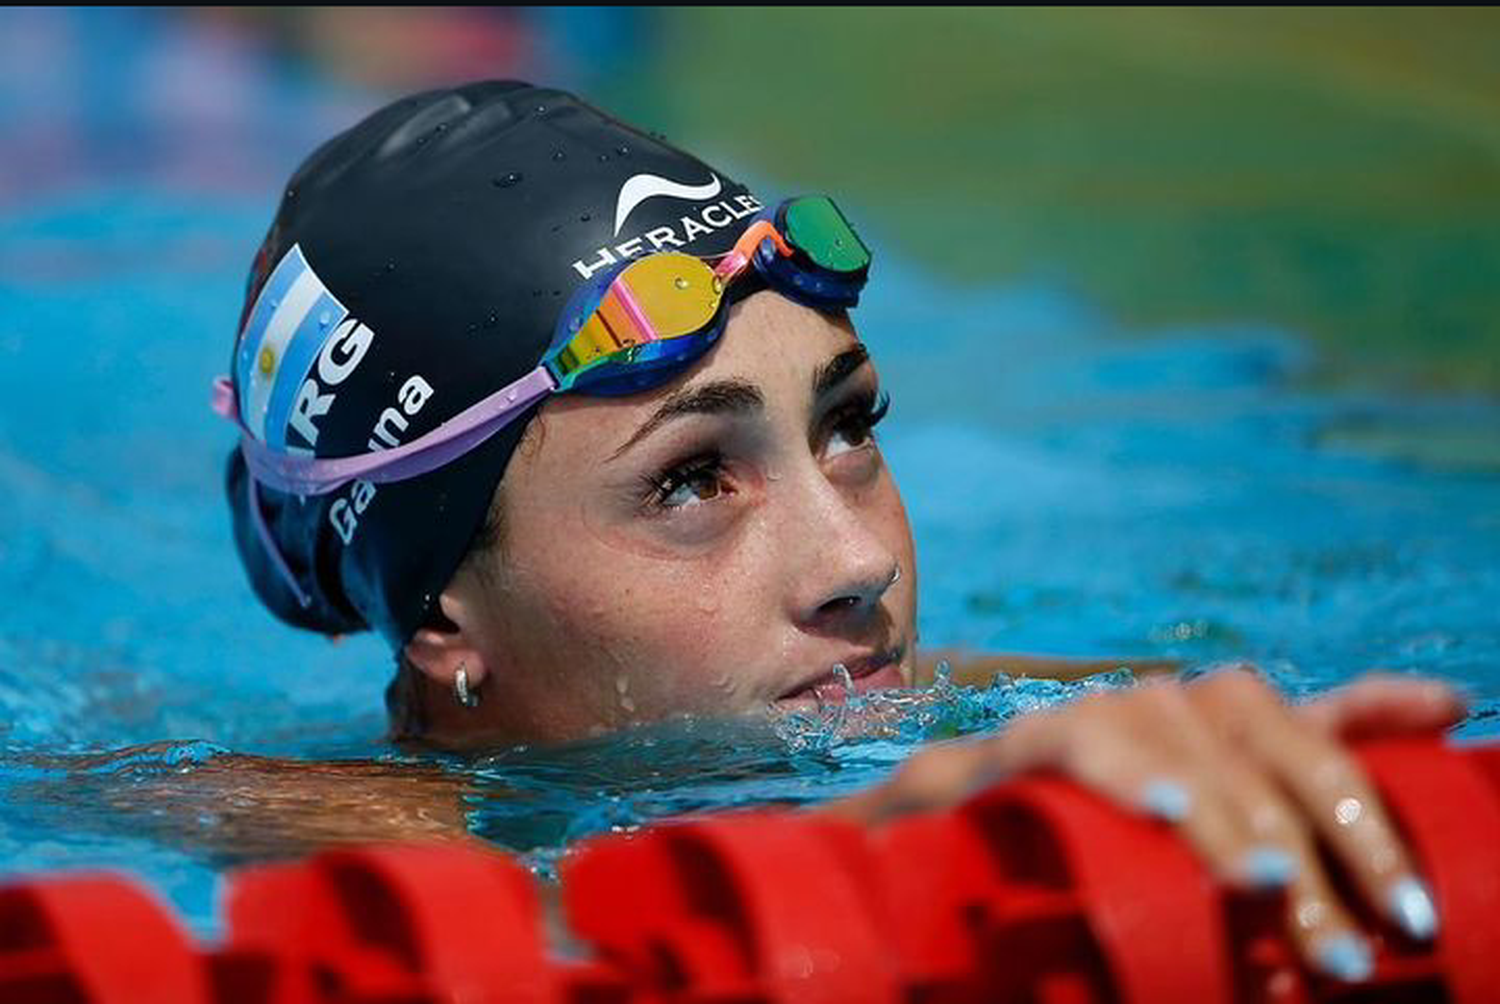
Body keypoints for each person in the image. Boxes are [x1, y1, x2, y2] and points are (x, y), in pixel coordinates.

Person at [214, 81, 1463, 982]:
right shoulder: (304, 824)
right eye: (693, 480)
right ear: (440, 610)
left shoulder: (975, 712)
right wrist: (889, 839)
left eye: (850, 425)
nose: (858, 564)